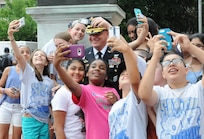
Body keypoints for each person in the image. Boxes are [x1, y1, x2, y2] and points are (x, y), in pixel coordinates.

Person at [138, 31, 204, 139]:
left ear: (186, 70)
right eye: (166, 63)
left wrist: (190, 47)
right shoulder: (160, 92)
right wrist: (155, 56)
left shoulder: (198, 89)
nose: (172, 64)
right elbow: (144, 94)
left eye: (177, 61)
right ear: (163, 74)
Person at [53, 42, 120, 139]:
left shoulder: (113, 91)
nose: (97, 69)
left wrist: (116, 103)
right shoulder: (85, 90)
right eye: (93, 67)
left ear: (106, 76)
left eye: (102, 68)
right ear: (87, 73)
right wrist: (57, 66)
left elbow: (121, 114)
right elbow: (71, 85)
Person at [8, 20, 54, 139]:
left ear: (46, 62)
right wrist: (11, 37)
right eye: (36, 55)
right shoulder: (28, 73)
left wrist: (53, 121)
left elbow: (50, 103)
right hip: (30, 119)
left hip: (44, 120)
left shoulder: (49, 81)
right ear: (31, 60)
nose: (39, 56)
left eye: (42, 55)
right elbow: (19, 56)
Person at [107, 36, 148, 138]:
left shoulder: (135, 100)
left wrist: (125, 51)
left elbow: (135, 82)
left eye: (128, 73)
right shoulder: (114, 107)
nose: (125, 74)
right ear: (119, 86)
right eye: (122, 74)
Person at [83, 16, 124, 96]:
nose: (94, 37)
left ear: (108, 33)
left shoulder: (118, 53)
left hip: (114, 99)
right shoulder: (83, 55)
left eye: (98, 33)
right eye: (91, 34)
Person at [0, 45, 31, 139]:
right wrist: (6, 90)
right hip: (6, 106)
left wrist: (23, 94)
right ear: (15, 55)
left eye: (27, 52)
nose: (25, 54)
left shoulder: (32, 72)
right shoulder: (9, 70)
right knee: (2, 135)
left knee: (17, 136)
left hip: (20, 108)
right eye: (21, 52)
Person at [51, 59, 86, 139]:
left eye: (80, 69)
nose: (77, 72)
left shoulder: (85, 91)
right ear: (66, 71)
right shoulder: (62, 94)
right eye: (73, 68)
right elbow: (58, 127)